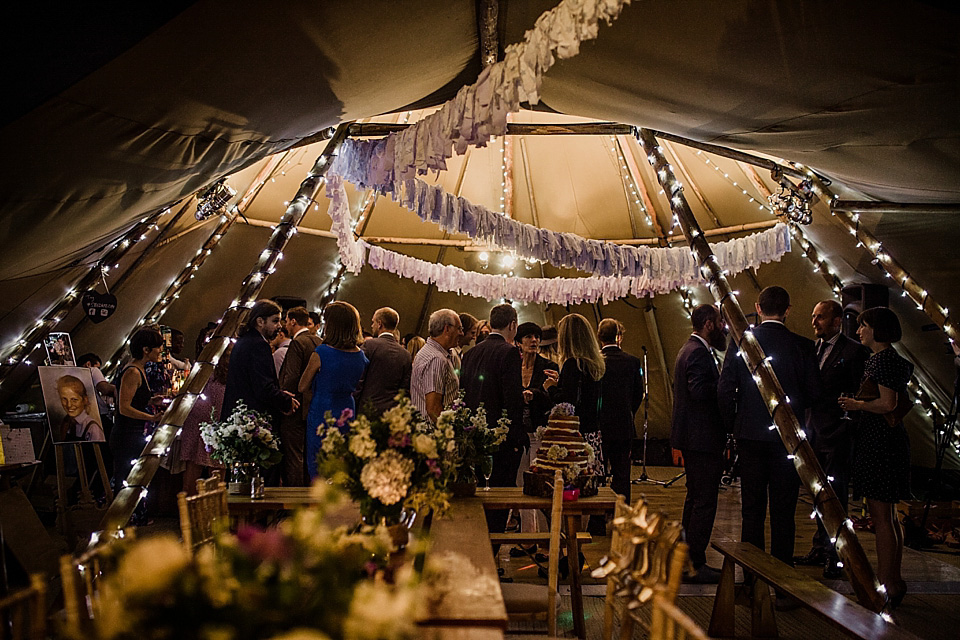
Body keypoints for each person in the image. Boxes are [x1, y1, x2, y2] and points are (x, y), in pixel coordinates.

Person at [718, 286, 821, 574]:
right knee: (783, 511)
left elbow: (725, 390)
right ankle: (782, 577)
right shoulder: (802, 346)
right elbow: (815, 392)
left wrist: (734, 425)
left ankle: (752, 577)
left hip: (749, 436)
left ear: (758, 308)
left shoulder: (742, 343)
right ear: (788, 310)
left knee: (751, 509)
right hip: (788, 440)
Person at [838, 307, 913, 607]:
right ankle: (893, 579)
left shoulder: (881, 361)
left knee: (881, 517)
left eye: (863, 326)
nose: (858, 332)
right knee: (891, 517)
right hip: (890, 442)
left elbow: (887, 403)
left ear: (877, 329)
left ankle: (885, 584)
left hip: (880, 443)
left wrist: (856, 405)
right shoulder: (892, 360)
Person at [795, 300, 870, 578]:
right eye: (813, 317)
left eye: (821, 318)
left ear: (837, 320)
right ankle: (819, 546)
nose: (814, 322)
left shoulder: (854, 352)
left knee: (835, 496)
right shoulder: (811, 349)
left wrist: (847, 428)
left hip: (838, 434)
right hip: (813, 431)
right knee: (817, 494)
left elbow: (860, 394)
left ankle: (837, 555)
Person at [671, 305, 728, 583]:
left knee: (694, 498)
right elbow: (698, 390)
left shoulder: (688, 349)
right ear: (708, 324)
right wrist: (727, 386)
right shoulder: (698, 353)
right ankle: (695, 562)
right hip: (702, 437)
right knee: (704, 501)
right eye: (720, 322)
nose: (723, 328)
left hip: (693, 436)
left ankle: (685, 558)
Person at [460, 303, 524, 538]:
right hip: (500, 438)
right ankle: (491, 550)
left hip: (474, 437)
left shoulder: (470, 353)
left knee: (479, 498)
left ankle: (477, 546)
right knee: (500, 499)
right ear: (513, 325)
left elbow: (464, 393)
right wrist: (517, 436)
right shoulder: (509, 352)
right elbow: (512, 399)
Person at [299, 301, 368, 479]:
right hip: (347, 408)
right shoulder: (360, 355)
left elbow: (302, 386)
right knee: (341, 459)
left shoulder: (322, 352)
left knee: (318, 461)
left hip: (323, 408)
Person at [513, 321, 558, 551]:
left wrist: (537, 393)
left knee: (540, 485)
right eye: (529, 336)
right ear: (518, 341)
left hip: (540, 431)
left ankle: (543, 540)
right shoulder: (512, 365)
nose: (534, 341)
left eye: (537, 337)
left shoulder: (548, 366)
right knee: (521, 484)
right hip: (518, 433)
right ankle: (526, 538)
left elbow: (555, 398)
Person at [544, 313, 605, 476]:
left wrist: (550, 387)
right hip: (592, 434)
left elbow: (566, 404)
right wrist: (560, 383)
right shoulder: (594, 365)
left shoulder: (573, 364)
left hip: (575, 437)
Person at [222, 299, 299, 426]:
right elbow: (263, 387)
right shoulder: (259, 345)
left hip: (238, 415)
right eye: (275, 321)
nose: (280, 326)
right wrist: (285, 401)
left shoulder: (244, 341)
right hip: (251, 420)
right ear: (260, 321)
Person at [596, 318, 644, 505]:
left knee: (598, 472)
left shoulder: (595, 361)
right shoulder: (632, 362)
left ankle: (597, 518)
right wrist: (628, 411)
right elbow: (637, 394)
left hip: (599, 425)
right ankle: (621, 516)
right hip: (623, 425)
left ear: (599, 337)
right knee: (622, 474)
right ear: (619, 337)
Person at [113, 328, 164, 493]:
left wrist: (149, 400)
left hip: (134, 432)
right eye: (158, 347)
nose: (161, 351)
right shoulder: (133, 372)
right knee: (127, 480)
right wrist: (151, 417)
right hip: (126, 434)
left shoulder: (140, 368)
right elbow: (124, 407)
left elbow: (134, 399)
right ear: (146, 350)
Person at [177, 344, 230, 494]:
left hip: (207, 423)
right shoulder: (208, 371)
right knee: (215, 477)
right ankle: (206, 512)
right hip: (209, 424)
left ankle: (192, 510)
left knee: (195, 477)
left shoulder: (202, 369)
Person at [278, 307, 322, 486]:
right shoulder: (319, 341)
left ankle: (293, 501)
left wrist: (284, 401)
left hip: (295, 407)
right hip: (313, 406)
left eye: (287, 321)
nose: (285, 325)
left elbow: (292, 377)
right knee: (308, 456)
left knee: (293, 456)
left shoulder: (298, 343)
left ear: (293, 321)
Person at [357, 307, 412, 416]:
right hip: (390, 413)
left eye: (373, 322)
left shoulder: (369, 345)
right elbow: (405, 390)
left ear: (380, 324)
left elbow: (359, 378)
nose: (372, 326)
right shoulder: (405, 354)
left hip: (367, 408)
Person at [410, 310, 462, 423]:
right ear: (447, 329)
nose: (461, 333)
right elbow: (433, 409)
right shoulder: (436, 359)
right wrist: (448, 434)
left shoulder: (430, 352)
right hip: (433, 435)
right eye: (459, 329)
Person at [56, 375, 105, 442]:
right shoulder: (66, 423)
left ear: (85, 400)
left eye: (74, 400)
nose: (69, 405)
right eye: (64, 399)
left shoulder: (92, 428)